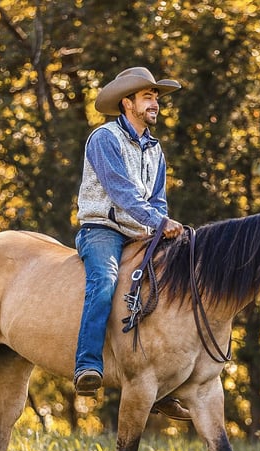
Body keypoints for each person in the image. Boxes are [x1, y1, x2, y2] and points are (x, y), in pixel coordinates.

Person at [74, 66, 188, 420]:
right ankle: (87, 365)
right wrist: (158, 223)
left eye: (156, 97)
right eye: (148, 97)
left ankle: (163, 384)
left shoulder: (155, 150)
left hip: (140, 233)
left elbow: (158, 200)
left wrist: (162, 227)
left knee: (173, 287)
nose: (155, 103)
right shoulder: (105, 138)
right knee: (105, 282)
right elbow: (121, 192)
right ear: (127, 103)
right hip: (102, 230)